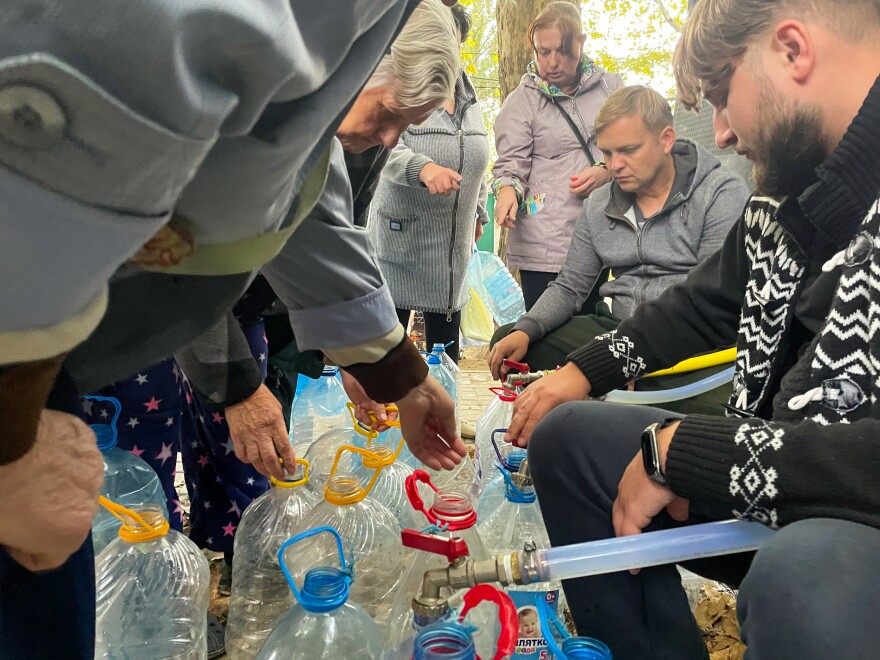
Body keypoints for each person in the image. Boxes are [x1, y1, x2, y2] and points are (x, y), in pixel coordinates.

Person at [0, 2, 465, 658]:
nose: (391, 139)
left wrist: (395, 370)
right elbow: (60, 105)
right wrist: (12, 430)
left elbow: (288, 182)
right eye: (388, 114)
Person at [517, 0, 880, 658]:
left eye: (721, 96)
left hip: (848, 523)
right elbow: (708, 302)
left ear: (793, 51)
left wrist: (690, 451)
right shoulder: (792, 189)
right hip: (774, 470)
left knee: (805, 582)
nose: (721, 134)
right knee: (568, 440)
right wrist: (583, 371)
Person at [488, 85, 749, 412]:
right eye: (607, 154)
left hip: (695, 346)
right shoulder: (599, 202)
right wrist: (526, 329)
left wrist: (623, 358)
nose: (615, 165)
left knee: (720, 411)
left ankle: (617, 394)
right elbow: (570, 286)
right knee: (509, 344)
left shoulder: (720, 195)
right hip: (617, 328)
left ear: (666, 139)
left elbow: (707, 305)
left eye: (628, 150)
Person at [370, 3, 490, 364]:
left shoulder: (469, 96)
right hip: (402, 247)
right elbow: (382, 145)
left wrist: (479, 209)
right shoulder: (402, 80)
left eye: (450, 39)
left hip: (450, 256)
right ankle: (383, 417)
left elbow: (478, 157)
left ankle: (442, 417)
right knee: (387, 359)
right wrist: (422, 169)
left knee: (445, 357)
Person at [491, 1, 623, 310]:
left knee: (588, 332)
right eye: (543, 51)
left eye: (562, 51)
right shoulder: (522, 101)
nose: (552, 62)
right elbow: (510, 165)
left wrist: (607, 170)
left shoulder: (610, 90)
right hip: (544, 243)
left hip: (600, 234)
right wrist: (507, 191)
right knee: (544, 338)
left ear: (581, 42)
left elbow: (634, 148)